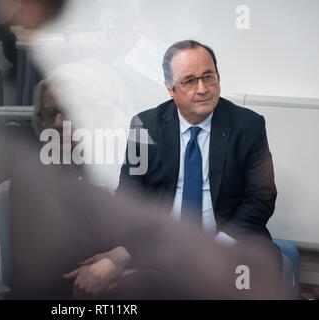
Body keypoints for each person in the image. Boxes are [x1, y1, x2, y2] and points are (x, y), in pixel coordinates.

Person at [64, 39, 281, 297]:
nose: (203, 89)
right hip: (164, 245)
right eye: (189, 81)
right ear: (170, 88)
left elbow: (261, 198)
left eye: (209, 77)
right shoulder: (146, 126)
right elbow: (130, 199)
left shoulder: (248, 126)